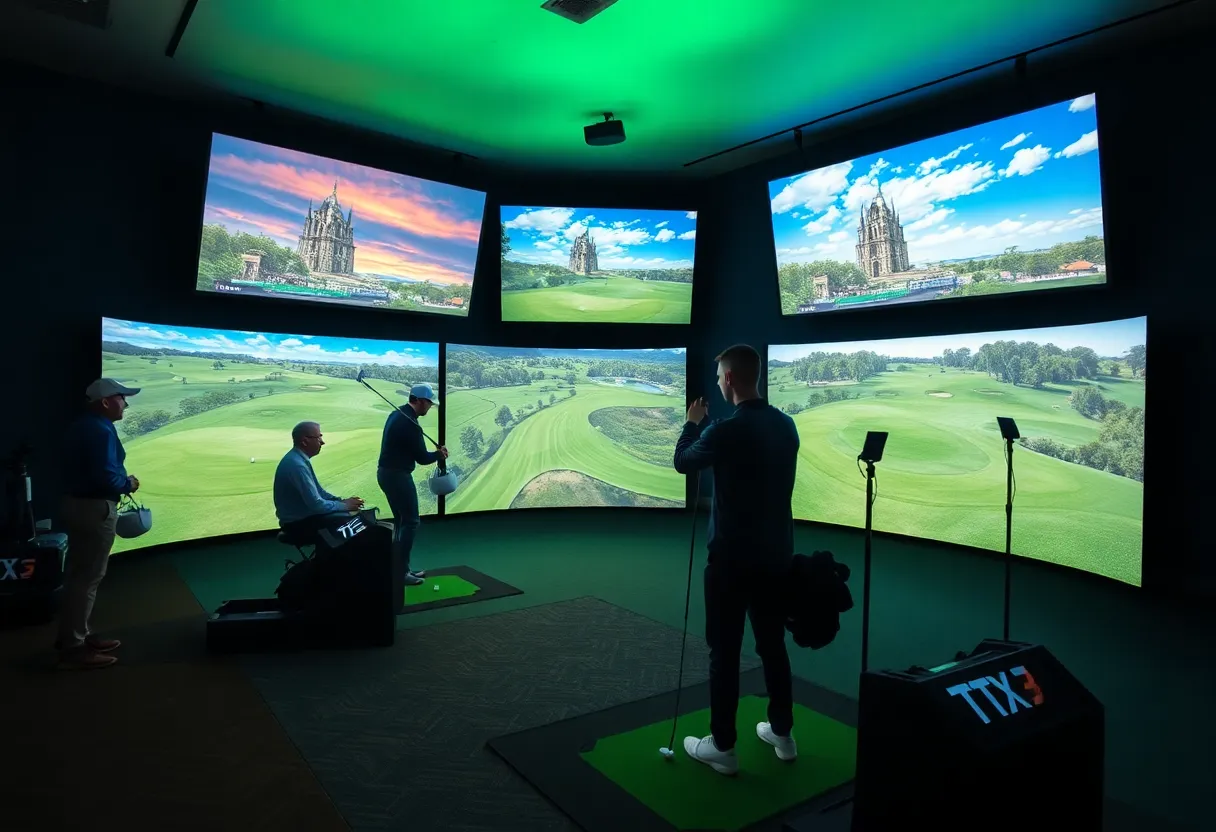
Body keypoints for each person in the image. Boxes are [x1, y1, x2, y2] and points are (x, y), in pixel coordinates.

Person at [672, 344, 801, 776]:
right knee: (772, 647)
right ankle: (782, 733)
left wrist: (692, 426)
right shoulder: (786, 426)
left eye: (719, 377)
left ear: (728, 379)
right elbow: (746, 454)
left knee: (724, 653)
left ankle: (723, 747)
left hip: (729, 562)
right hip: (777, 558)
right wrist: (709, 429)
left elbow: (683, 462)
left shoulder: (723, 432)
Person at [55, 378, 143, 670]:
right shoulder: (100, 430)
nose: (126, 403)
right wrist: (127, 483)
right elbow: (107, 477)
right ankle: (75, 647)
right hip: (94, 508)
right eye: (121, 398)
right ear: (105, 401)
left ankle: (78, 635)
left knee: (79, 575)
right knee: (87, 578)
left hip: (78, 505)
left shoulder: (84, 425)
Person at [376, 384, 448, 587]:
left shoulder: (397, 414)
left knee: (401, 522)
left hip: (386, 474)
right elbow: (423, 458)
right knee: (411, 522)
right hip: (397, 477)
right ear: (418, 400)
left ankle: (400, 569)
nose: (430, 406)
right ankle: (400, 572)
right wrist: (439, 454)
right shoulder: (410, 423)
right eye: (429, 402)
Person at [273, 421, 364, 542]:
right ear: (305, 441)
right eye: (318, 437)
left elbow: (319, 492)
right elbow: (317, 505)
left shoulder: (298, 459)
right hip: (298, 525)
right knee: (353, 524)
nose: (322, 442)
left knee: (350, 519)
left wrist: (339, 501)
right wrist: (344, 505)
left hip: (300, 520)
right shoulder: (297, 465)